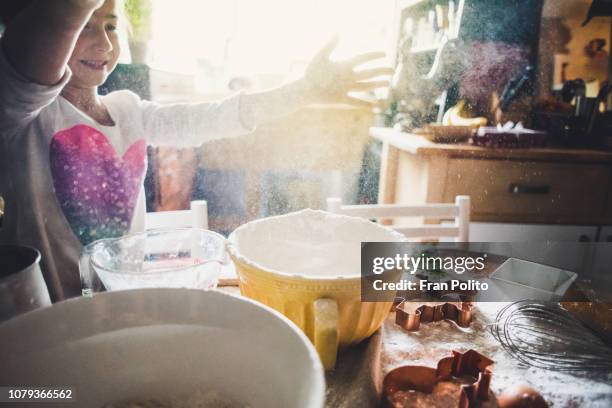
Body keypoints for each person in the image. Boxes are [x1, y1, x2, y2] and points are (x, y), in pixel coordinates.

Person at [0, 0, 390, 301]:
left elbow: (217, 116)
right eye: (84, 25)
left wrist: (303, 91)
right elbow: (31, 63)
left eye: (111, 25)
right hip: (44, 310)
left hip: (121, 304)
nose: (103, 42)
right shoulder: (22, 114)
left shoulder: (128, 110)